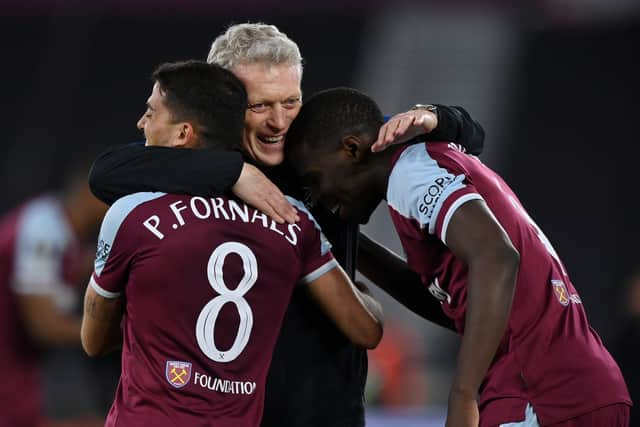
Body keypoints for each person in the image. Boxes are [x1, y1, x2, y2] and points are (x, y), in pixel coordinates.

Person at [87, 22, 485, 427]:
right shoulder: (190, 167)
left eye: (290, 102)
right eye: (259, 106)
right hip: (238, 410)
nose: (280, 122)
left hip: (328, 408)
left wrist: (435, 116)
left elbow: (468, 133)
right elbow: (105, 173)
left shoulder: (327, 143)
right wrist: (234, 173)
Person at [284, 86, 632, 427]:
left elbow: (496, 256)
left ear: (352, 148)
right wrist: (350, 247)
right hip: (584, 387)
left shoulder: (410, 173)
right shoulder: (433, 163)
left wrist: (462, 395)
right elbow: (456, 304)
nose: (317, 195)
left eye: (315, 179)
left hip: (537, 393)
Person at [80, 60, 383, 427]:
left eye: (150, 112)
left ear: (182, 134)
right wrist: (360, 287)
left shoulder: (134, 214)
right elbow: (365, 329)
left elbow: (94, 341)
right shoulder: (291, 219)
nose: (142, 123)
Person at [0, 152, 108, 427]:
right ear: (90, 190)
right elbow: (43, 326)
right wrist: (116, 332)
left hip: (22, 369)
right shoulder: (43, 229)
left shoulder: (66, 234)